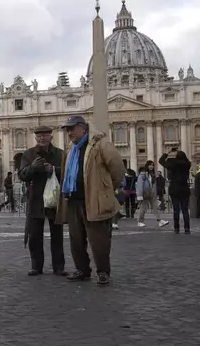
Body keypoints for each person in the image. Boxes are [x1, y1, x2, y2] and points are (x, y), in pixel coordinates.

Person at [56, 115, 125, 287]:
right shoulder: (70, 148)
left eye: (72, 128)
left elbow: (117, 169)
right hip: (73, 199)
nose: (69, 132)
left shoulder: (101, 144)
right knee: (76, 239)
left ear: (83, 127)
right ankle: (82, 269)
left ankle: (103, 272)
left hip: (94, 200)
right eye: (67, 129)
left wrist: (105, 188)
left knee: (99, 240)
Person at [18, 126, 65, 276]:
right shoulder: (28, 154)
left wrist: (53, 169)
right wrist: (32, 167)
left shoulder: (60, 154)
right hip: (35, 199)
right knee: (34, 236)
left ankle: (59, 267)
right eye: (39, 136)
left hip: (54, 198)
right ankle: (36, 266)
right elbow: (22, 175)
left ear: (51, 137)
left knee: (57, 235)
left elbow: (66, 172)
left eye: (45, 135)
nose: (42, 138)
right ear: (36, 138)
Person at [159, 150, 192, 233]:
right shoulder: (188, 164)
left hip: (175, 188)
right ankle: (187, 228)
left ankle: (176, 228)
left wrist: (167, 153)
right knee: (185, 210)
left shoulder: (173, 164)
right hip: (184, 189)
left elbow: (161, 161)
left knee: (176, 210)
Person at [135, 161, 169, 228]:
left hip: (152, 193)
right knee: (143, 207)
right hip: (145, 193)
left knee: (155, 207)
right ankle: (140, 221)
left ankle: (160, 221)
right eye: (150, 165)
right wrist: (139, 195)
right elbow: (139, 185)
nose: (151, 166)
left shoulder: (152, 174)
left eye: (152, 165)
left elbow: (153, 185)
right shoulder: (143, 174)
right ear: (147, 166)